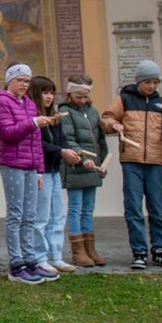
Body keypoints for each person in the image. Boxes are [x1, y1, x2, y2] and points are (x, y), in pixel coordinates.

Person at [102, 60, 162, 270]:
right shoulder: (124, 99)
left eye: (155, 82)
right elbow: (106, 118)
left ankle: (160, 250)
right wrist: (113, 124)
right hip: (132, 161)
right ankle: (139, 251)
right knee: (134, 208)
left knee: (157, 208)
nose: (151, 86)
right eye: (147, 82)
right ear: (138, 81)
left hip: (155, 162)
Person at [0, 63, 60, 284]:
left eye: (26, 81)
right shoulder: (2, 101)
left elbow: (36, 142)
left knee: (30, 215)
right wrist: (33, 123)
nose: (23, 84)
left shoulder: (30, 103)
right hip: (12, 163)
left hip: (31, 166)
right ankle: (16, 264)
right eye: (19, 80)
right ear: (10, 80)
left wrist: (40, 171)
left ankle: (31, 261)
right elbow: (7, 133)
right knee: (16, 214)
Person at [59, 75, 109, 267]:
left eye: (85, 96)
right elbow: (68, 139)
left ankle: (90, 250)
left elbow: (99, 139)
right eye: (78, 96)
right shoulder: (65, 112)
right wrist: (83, 158)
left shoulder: (93, 111)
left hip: (92, 169)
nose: (82, 100)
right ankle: (78, 252)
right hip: (75, 167)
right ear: (70, 94)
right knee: (75, 208)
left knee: (88, 209)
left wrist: (102, 161)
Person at [29, 76, 76, 275]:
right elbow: (39, 144)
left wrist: (70, 151)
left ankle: (56, 255)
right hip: (41, 171)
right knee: (41, 216)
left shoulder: (54, 116)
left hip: (55, 170)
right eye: (45, 92)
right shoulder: (32, 115)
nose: (48, 97)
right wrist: (60, 151)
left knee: (58, 213)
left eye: (51, 93)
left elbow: (61, 139)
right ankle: (40, 257)